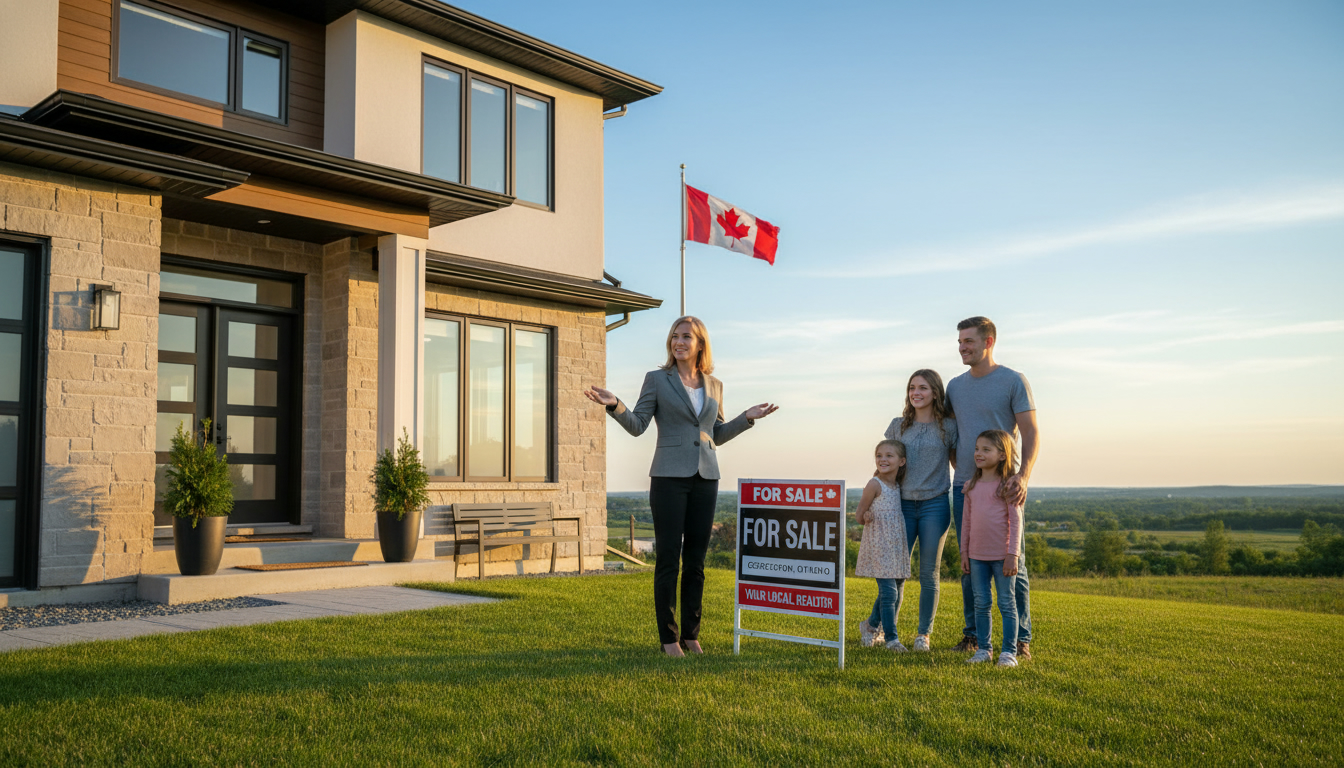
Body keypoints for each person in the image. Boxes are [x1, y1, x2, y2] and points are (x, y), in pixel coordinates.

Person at [585, 316, 778, 657]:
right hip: (668, 478)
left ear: (700, 343)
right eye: (675, 336)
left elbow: (715, 435)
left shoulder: (714, 385)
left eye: (686, 336)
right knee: (669, 560)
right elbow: (638, 425)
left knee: (696, 562)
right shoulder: (657, 380)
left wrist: (747, 418)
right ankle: (669, 639)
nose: (679, 341)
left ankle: (691, 634)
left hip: (706, 477)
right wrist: (615, 404)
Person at [947, 316, 1039, 660]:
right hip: (966, 489)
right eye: (959, 342)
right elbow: (953, 436)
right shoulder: (955, 386)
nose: (961, 348)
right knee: (970, 564)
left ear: (989, 342)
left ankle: (1020, 640)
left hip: (1006, 489)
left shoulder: (1013, 380)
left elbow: (1030, 433)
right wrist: (968, 474)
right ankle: (974, 637)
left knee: (1014, 564)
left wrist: (1023, 476)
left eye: (968, 341)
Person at [884, 369, 957, 652]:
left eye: (923, 388)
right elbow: (885, 464)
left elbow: (958, 463)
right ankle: (879, 627)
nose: (916, 393)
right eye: (912, 387)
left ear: (935, 393)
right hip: (900, 504)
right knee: (897, 572)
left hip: (935, 505)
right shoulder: (897, 426)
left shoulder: (949, 427)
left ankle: (922, 635)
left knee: (929, 573)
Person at [960, 429, 1022, 667]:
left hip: (1002, 556)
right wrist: (964, 553)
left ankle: (1008, 653)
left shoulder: (1008, 485)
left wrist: (1012, 554)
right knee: (981, 603)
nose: (979, 453)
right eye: (977, 449)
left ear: (1003, 455)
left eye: (986, 449)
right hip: (976, 557)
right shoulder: (971, 486)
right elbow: (966, 522)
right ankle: (984, 649)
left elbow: (1016, 522)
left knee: (1006, 603)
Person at [854, 439, 913, 652]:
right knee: (889, 594)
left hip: (896, 546)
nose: (883, 459)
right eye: (879, 455)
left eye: (889, 455)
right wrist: (867, 516)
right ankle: (891, 639)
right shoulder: (874, 484)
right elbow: (859, 516)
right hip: (879, 546)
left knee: (891, 591)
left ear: (902, 461)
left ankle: (869, 625)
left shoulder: (897, 486)